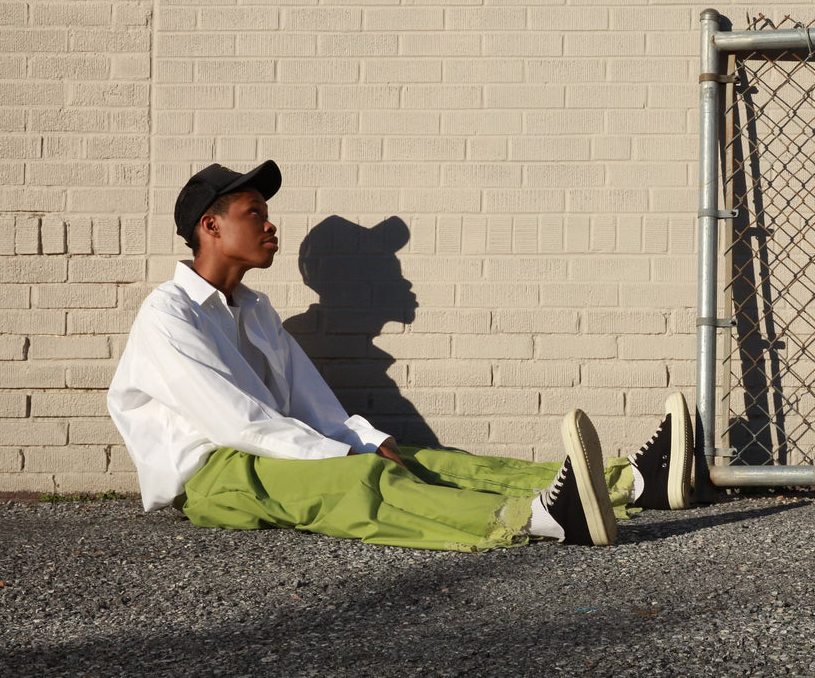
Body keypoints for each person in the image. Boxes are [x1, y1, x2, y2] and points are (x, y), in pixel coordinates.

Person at [107, 160, 694, 550]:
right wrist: (344, 453)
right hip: (214, 474)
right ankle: (540, 521)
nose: (270, 224)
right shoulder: (169, 314)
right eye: (254, 213)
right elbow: (238, 422)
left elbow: (312, 401)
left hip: (271, 447)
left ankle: (635, 483)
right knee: (361, 480)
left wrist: (360, 437)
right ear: (210, 225)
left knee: (430, 461)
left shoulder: (255, 309)